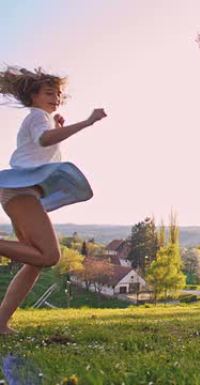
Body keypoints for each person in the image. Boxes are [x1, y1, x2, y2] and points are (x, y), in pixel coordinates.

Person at [0, 66, 107, 334]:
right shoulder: (37, 116)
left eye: (59, 94)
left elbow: (44, 147)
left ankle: (0, 322)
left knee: (35, 261)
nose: (56, 98)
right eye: (50, 92)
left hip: (22, 192)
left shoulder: (43, 118)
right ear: (34, 96)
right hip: (21, 192)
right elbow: (45, 139)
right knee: (49, 255)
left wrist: (57, 127)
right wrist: (86, 122)